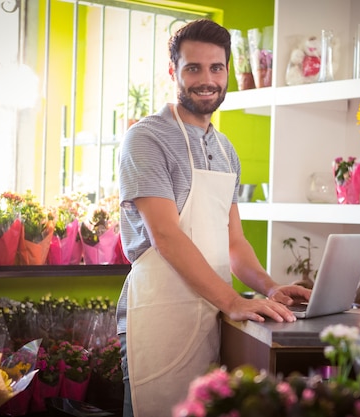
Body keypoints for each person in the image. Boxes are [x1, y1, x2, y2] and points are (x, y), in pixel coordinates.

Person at [115, 19, 311, 417]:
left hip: (212, 314)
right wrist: (233, 301)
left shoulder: (226, 150)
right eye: (193, 68)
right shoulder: (146, 139)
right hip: (159, 315)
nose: (207, 80)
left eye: (216, 68)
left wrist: (270, 287)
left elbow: (234, 242)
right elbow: (166, 236)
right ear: (173, 72)